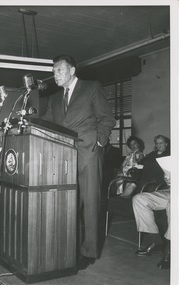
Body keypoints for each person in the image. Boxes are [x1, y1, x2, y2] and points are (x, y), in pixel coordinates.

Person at [41, 54, 116, 270]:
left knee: (90, 203)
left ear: (72, 70)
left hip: (88, 152)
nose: (55, 75)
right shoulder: (54, 98)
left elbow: (107, 118)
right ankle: (71, 248)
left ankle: (89, 251)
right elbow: (47, 121)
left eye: (59, 70)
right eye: (53, 71)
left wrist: (99, 143)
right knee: (69, 205)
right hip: (62, 156)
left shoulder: (92, 87)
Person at [132, 167, 171, 270]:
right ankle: (156, 241)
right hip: (170, 190)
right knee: (139, 199)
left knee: (173, 204)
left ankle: (171, 248)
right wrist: (168, 178)